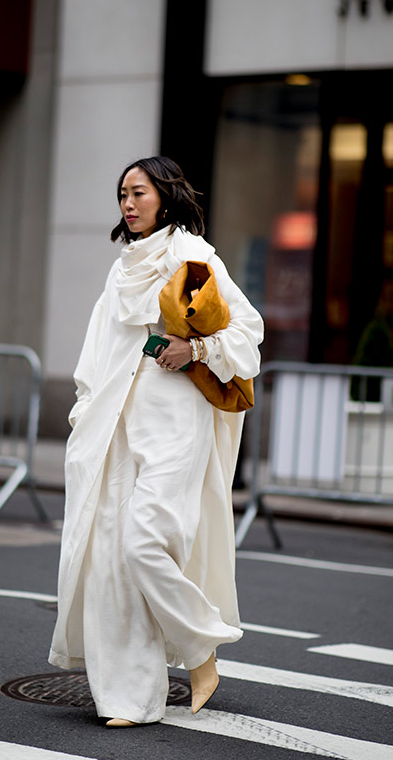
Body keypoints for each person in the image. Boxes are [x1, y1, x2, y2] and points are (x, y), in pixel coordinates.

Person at [48, 156, 263, 727]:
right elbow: (98, 352)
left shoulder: (191, 254)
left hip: (178, 419)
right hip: (118, 422)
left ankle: (201, 648)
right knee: (113, 558)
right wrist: (84, 412)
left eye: (138, 192)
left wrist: (193, 351)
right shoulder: (121, 271)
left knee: (145, 542)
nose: (127, 202)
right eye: (122, 193)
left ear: (164, 197)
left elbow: (248, 330)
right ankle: (127, 699)